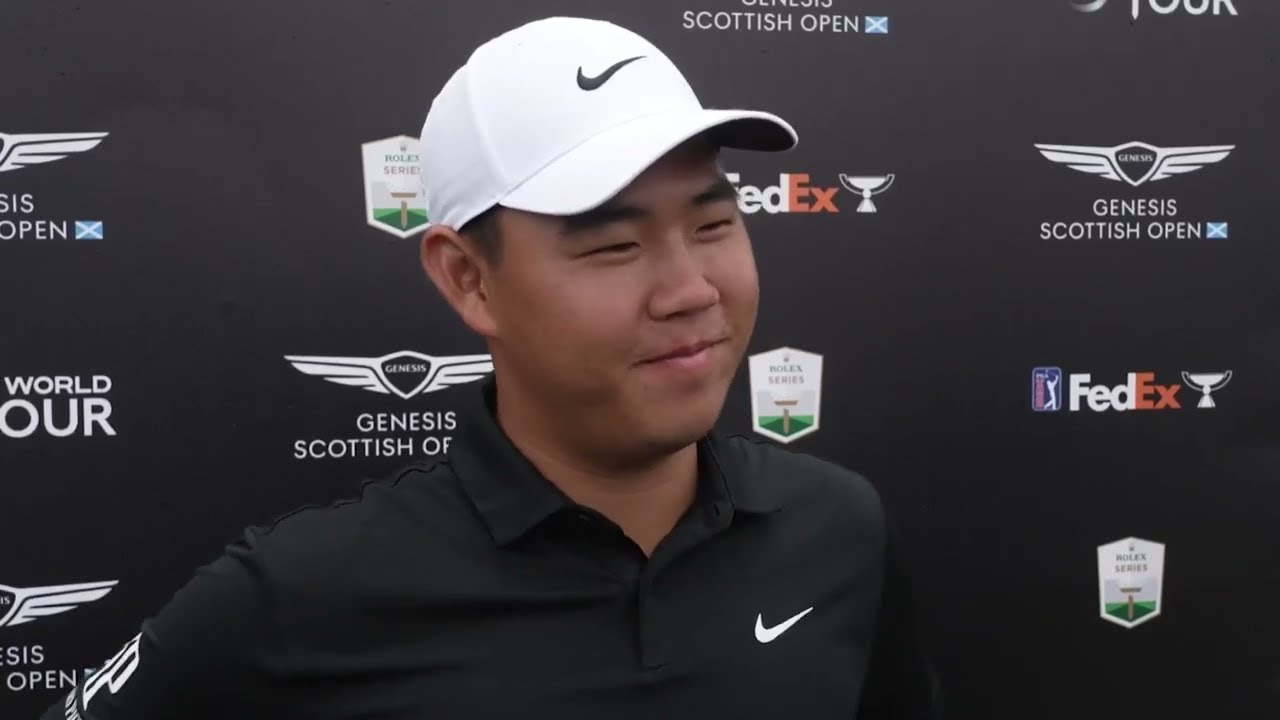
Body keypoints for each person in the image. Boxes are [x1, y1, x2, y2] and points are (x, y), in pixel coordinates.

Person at [40, 16, 941, 720]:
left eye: (714, 224)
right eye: (614, 245)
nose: (691, 289)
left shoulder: (839, 531)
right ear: (469, 280)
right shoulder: (298, 599)